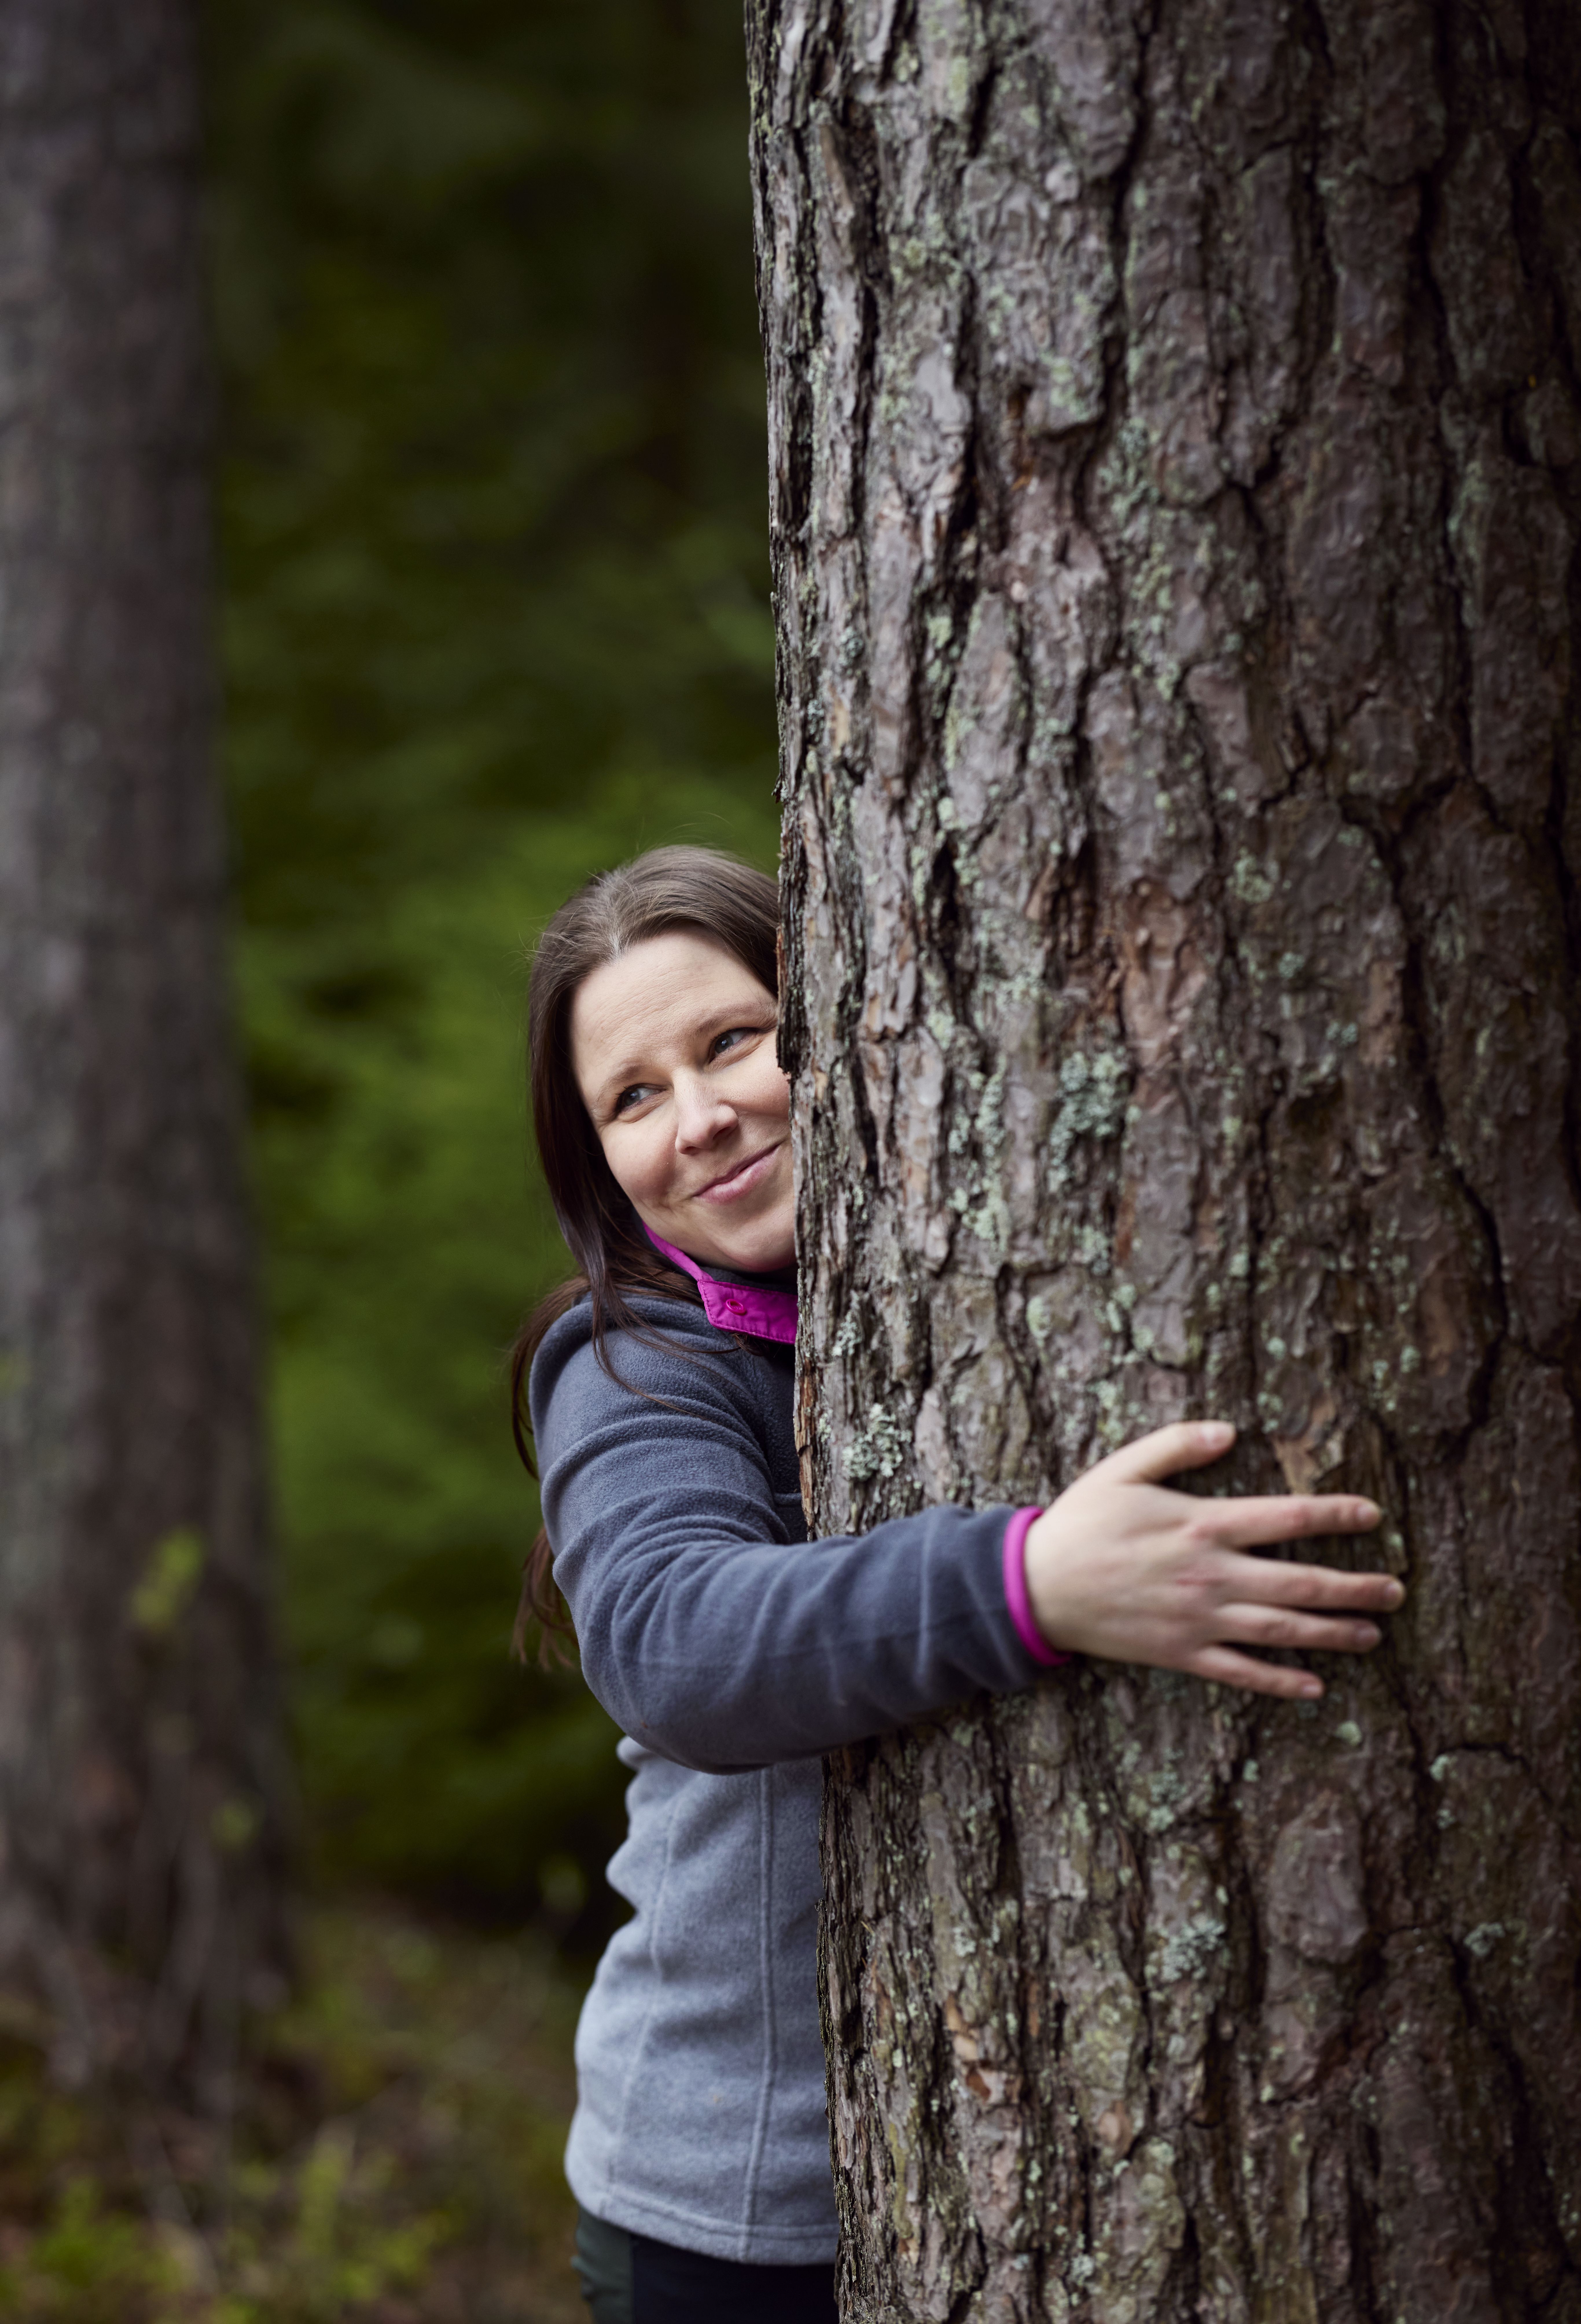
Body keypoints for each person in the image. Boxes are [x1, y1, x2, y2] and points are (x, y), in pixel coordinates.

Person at [511, 846, 1402, 2324]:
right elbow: (671, 1646)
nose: (703, 1116)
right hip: (740, 2208)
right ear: (597, 1162)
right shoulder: (633, 1366)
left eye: (734, 1038)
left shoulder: (899, 1281)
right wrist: (1029, 1579)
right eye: (633, 1096)